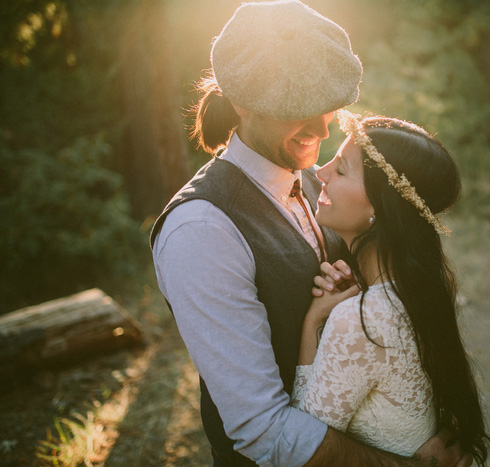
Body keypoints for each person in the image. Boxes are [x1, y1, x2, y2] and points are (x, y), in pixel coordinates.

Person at [150, 1, 470, 465]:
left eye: (330, 106)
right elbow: (265, 432)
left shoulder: (322, 185)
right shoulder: (200, 231)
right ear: (241, 101)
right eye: (300, 106)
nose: (323, 128)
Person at [290, 112, 490, 466]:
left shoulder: (360, 321)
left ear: (380, 208)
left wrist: (312, 324)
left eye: (340, 170)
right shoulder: (419, 289)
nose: (320, 173)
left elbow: (301, 450)